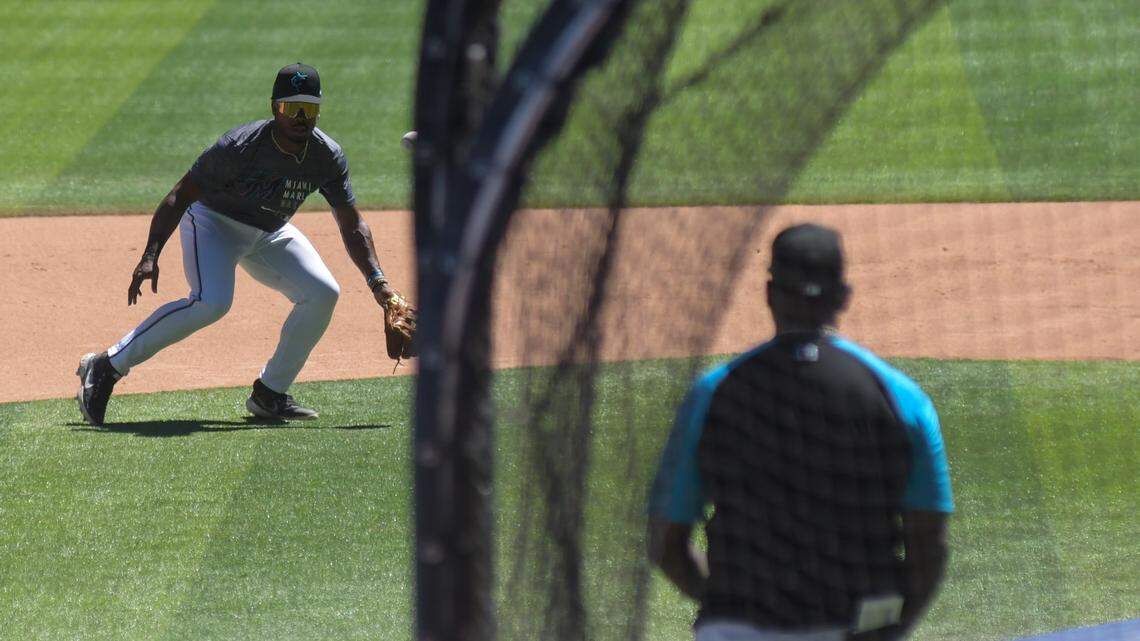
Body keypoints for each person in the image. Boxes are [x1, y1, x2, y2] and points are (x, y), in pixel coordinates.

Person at [648, 223, 952, 641]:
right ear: (843, 297)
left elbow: (666, 544)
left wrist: (725, 601)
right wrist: (888, 630)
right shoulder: (902, 400)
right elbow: (928, 548)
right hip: (854, 627)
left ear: (770, 294)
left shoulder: (712, 394)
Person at [76, 62, 400, 425]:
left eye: (309, 109)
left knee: (323, 292)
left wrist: (379, 283)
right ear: (274, 108)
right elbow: (180, 194)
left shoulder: (327, 156)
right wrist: (151, 254)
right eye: (291, 108)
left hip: (270, 231)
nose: (301, 117)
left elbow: (351, 222)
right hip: (214, 222)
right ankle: (107, 366)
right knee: (212, 301)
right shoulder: (239, 147)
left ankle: (270, 393)